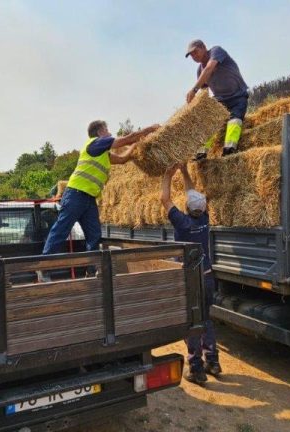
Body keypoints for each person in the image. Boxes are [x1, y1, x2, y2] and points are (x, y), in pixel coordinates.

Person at [40, 121, 159, 271]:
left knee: (94, 235)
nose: (109, 132)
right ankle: (43, 266)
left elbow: (122, 159)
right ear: (100, 132)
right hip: (76, 194)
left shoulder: (102, 153)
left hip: (89, 199)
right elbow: (127, 139)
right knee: (61, 230)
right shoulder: (95, 144)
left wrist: (135, 147)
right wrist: (150, 129)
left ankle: (92, 271)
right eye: (107, 130)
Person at [160, 163, 220, 384]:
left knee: (191, 322)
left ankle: (196, 368)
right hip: (208, 277)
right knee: (206, 318)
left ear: (187, 207)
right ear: (203, 208)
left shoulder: (182, 223)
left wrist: (168, 174)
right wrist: (185, 172)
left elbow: (164, 199)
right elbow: (192, 195)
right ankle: (212, 361)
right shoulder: (205, 220)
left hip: (191, 281)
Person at [185, 39, 249, 160]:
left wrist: (194, 90)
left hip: (238, 96)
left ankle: (229, 150)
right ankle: (201, 153)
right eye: (191, 55)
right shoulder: (200, 71)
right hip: (220, 101)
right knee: (208, 122)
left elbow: (209, 68)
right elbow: (204, 92)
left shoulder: (216, 51)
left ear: (203, 47)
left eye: (195, 52)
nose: (194, 56)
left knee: (234, 121)